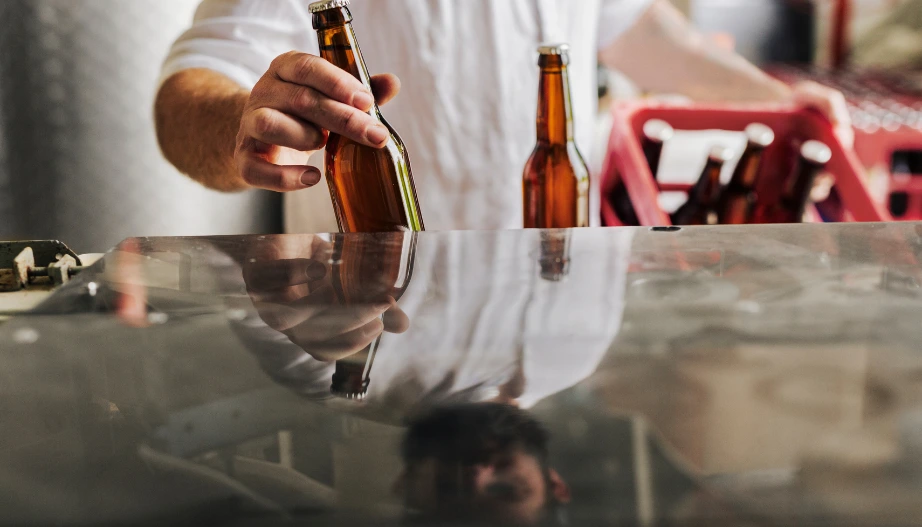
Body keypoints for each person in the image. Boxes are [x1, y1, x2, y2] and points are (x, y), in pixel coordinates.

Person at [155, 0, 852, 233]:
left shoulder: (579, 360)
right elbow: (186, 94)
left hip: (555, 335)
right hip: (379, 355)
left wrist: (777, 100)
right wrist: (241, 125)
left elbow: (643, 32)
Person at [398, 403, 570, 526]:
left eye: (448, 487)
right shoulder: (562, 363)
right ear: (554, 484)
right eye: (506, 489)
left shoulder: (381, 388)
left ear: (406, 482)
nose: (476, 473)